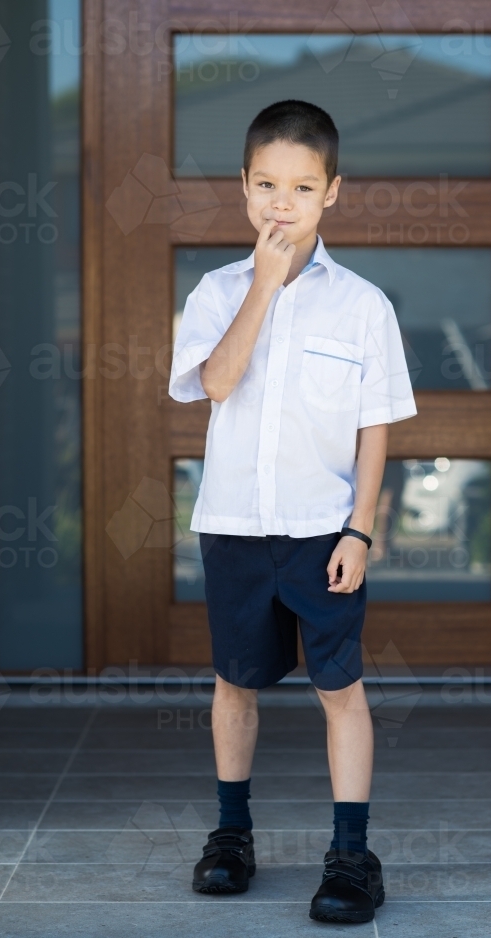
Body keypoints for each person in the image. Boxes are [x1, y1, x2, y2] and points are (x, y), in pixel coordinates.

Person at [169, 99, 417, 924]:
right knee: (234, 682)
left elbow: (373, 428)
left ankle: (350, 855)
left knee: (338, 687)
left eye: (301, 187)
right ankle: (231, 836)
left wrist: (360, 527)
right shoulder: (214, 292)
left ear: (331, 193)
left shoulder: (361, 305)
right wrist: (265, 286)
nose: (282, 202)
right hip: (235, 526)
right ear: (243, 186)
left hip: (322, 531)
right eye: (267, 183)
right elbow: (215, 382)